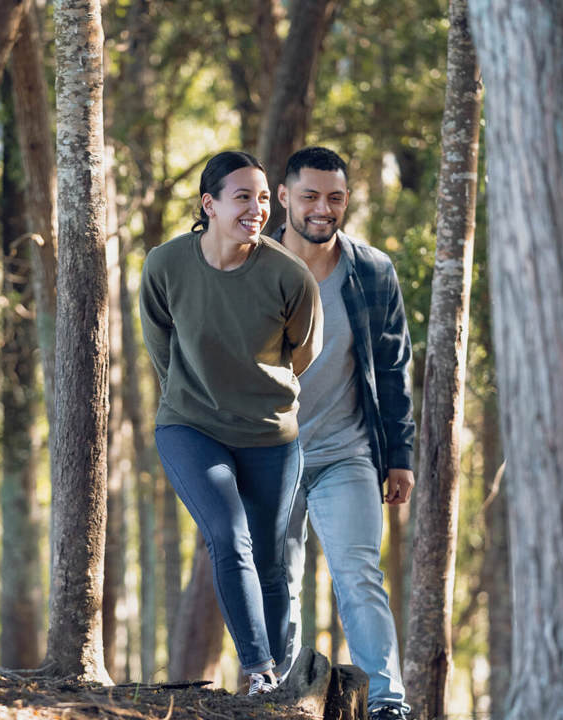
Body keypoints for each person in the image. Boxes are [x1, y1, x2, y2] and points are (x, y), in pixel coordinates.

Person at [139, 150, 323, 696]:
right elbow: (160, 344)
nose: (257, 209)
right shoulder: (165, 265)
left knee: (270, 560)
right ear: (209, 204)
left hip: (271, 435)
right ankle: (259, 670)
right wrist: (195, 392)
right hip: (190, 425)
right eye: (243, 196)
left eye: (264, 198)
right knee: (229, 536)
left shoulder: (289, 275)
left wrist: (256, 390)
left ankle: (278, 676)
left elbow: (303, 351)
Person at [272, 146, 415, 720]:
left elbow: (394, 368)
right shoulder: (254, 266)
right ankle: (279, 692)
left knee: (359, 574)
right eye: (309, 196)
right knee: (276, 577)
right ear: (284, 197)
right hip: (272, 454)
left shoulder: (373, 271)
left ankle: (386, 702)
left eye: (334, 197)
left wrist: (399, 456)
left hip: (347, 452)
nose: (322, 209)